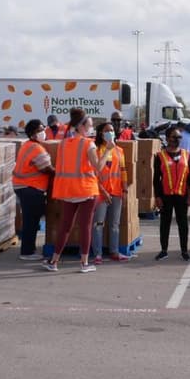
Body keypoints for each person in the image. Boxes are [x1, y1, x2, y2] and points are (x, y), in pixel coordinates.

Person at [43, 109, 110, 273]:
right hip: (86, 190)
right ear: (82, 126)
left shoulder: (64, 143)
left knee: (65, 226)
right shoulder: (88, 144)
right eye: (90, 125)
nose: (91, 128)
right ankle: (84, 263)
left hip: (68, 190)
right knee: (85, 226)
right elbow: (98, 167)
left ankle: (54, 261)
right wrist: (109, 149)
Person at [12, 119, 54, 261]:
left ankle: (29, 249)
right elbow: (47, 169)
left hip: (23, 187)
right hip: (30, 188)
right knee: (32, 220)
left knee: (33, 218)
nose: (43, 132)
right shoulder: (36, 148)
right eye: (39, 130)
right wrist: (63, 174)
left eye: (43, 129)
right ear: (32, 133)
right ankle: (27, 252)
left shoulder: (27, 145)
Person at [92, 120, 130, 263]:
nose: (110, 133)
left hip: (116, 192)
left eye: (112, 130)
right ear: (101, 134)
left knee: (115, 224)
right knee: (98, 224)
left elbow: (123, 171)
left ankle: (114, 252)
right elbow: (93, 173)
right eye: (107, 130)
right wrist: (103, 191)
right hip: (100, 193)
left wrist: (125, 190)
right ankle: (98, 254)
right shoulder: (95, 150)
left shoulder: (119, 151)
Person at [153, 126, 190, 260]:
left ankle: (184, 251)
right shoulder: (160, 156)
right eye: (174, 137)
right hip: (166, 196)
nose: (177, 140)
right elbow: (156, 179)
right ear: (167, 138)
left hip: (182, 195)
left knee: (183, 224)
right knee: (165, 223)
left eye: (179, 137)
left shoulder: (186, 155)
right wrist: (157, 197)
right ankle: (164, 250)